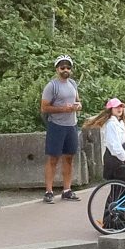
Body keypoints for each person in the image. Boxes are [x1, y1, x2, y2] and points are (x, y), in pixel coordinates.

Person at [39, 58, 82, 202]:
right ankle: (49, 191)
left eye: (68, 68)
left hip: (71, 125)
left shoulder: (73, 84)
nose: (66, 70)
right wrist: (63, 109)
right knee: (53, 158)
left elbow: (78, 100)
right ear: (57, 69)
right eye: (62, 68)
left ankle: (67, 190)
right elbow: (44, 108)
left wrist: (77, 106)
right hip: (56, 126)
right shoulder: (52, 86)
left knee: (69, 158)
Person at [96, 98, 125, 185]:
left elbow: (119, 139)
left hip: (118, 159)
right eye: (116, 107)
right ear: (110, 110)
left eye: (121, 107)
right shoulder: (111, 124)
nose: (119, 109)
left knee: (121, 190)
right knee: (120, 190)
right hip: (113, 160)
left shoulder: (119, 122)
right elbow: (114, 146)